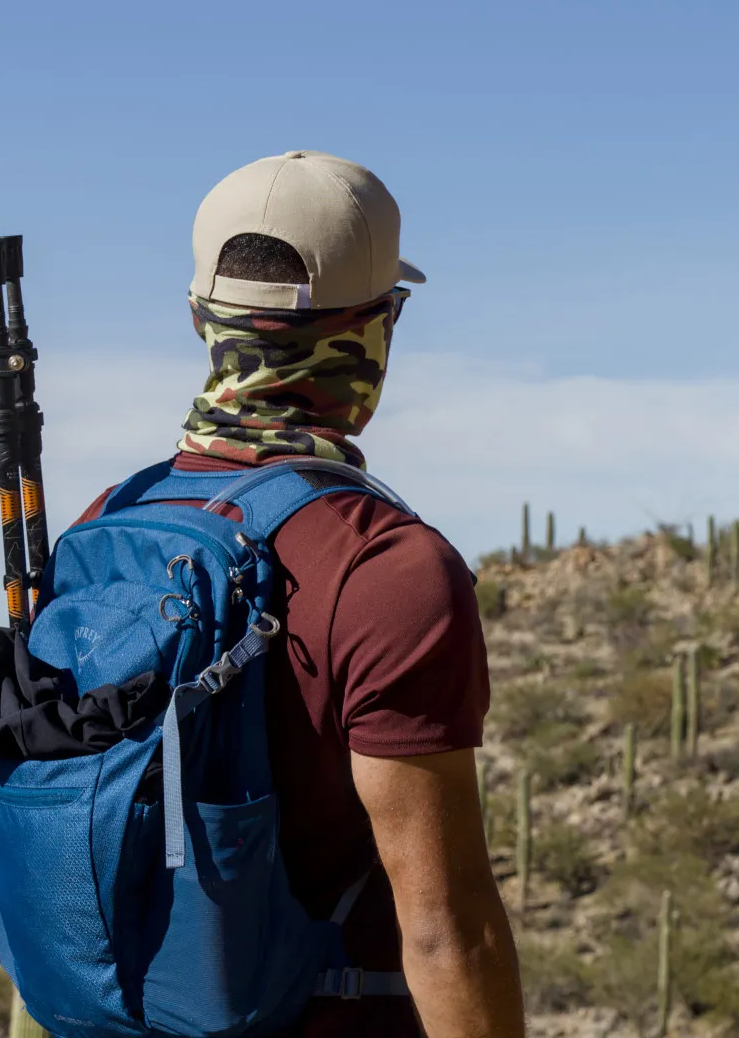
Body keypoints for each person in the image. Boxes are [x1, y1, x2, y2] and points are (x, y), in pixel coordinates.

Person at [68, 150, 524, 1037]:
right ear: (376, 331)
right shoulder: (391, 571)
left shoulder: (106, 521)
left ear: (200, 319)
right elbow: (448, 933)